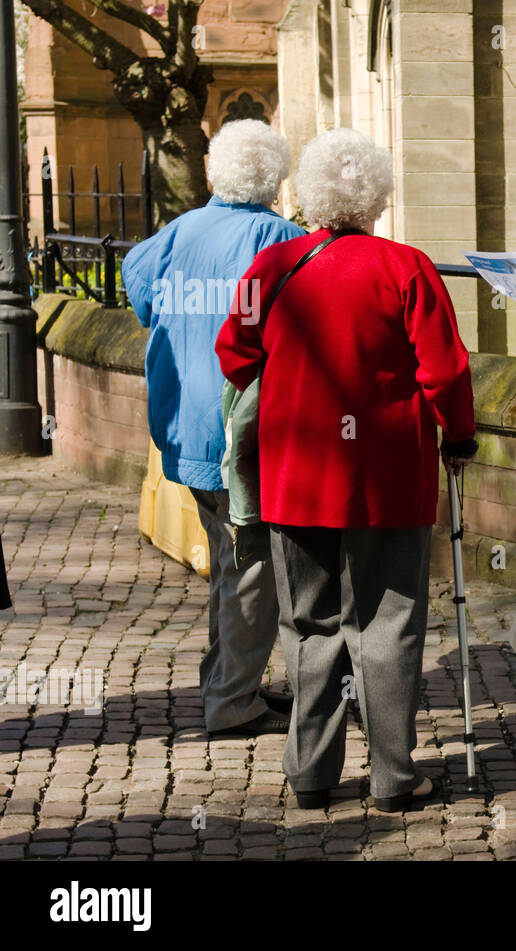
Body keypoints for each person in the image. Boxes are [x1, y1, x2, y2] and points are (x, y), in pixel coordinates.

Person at [215, 129, 477, 812]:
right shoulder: (406, 267)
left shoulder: (271, 269)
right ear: (378, 197)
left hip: (297, 473)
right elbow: (445, 371)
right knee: (388, 622)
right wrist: (462, 435)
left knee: (307, 626)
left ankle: (310, 771)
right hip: (387, 474)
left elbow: (233, 351)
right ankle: (394, 773)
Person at [122, 120, 305, 737]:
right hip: (243, 432)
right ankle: (231, 700)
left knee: (230, 560)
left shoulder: (178, 232)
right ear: (277, 179)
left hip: (183, 423)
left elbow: (140, 292)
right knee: (250, 564)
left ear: (211, 173)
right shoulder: (282, 240)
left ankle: (230, 681)